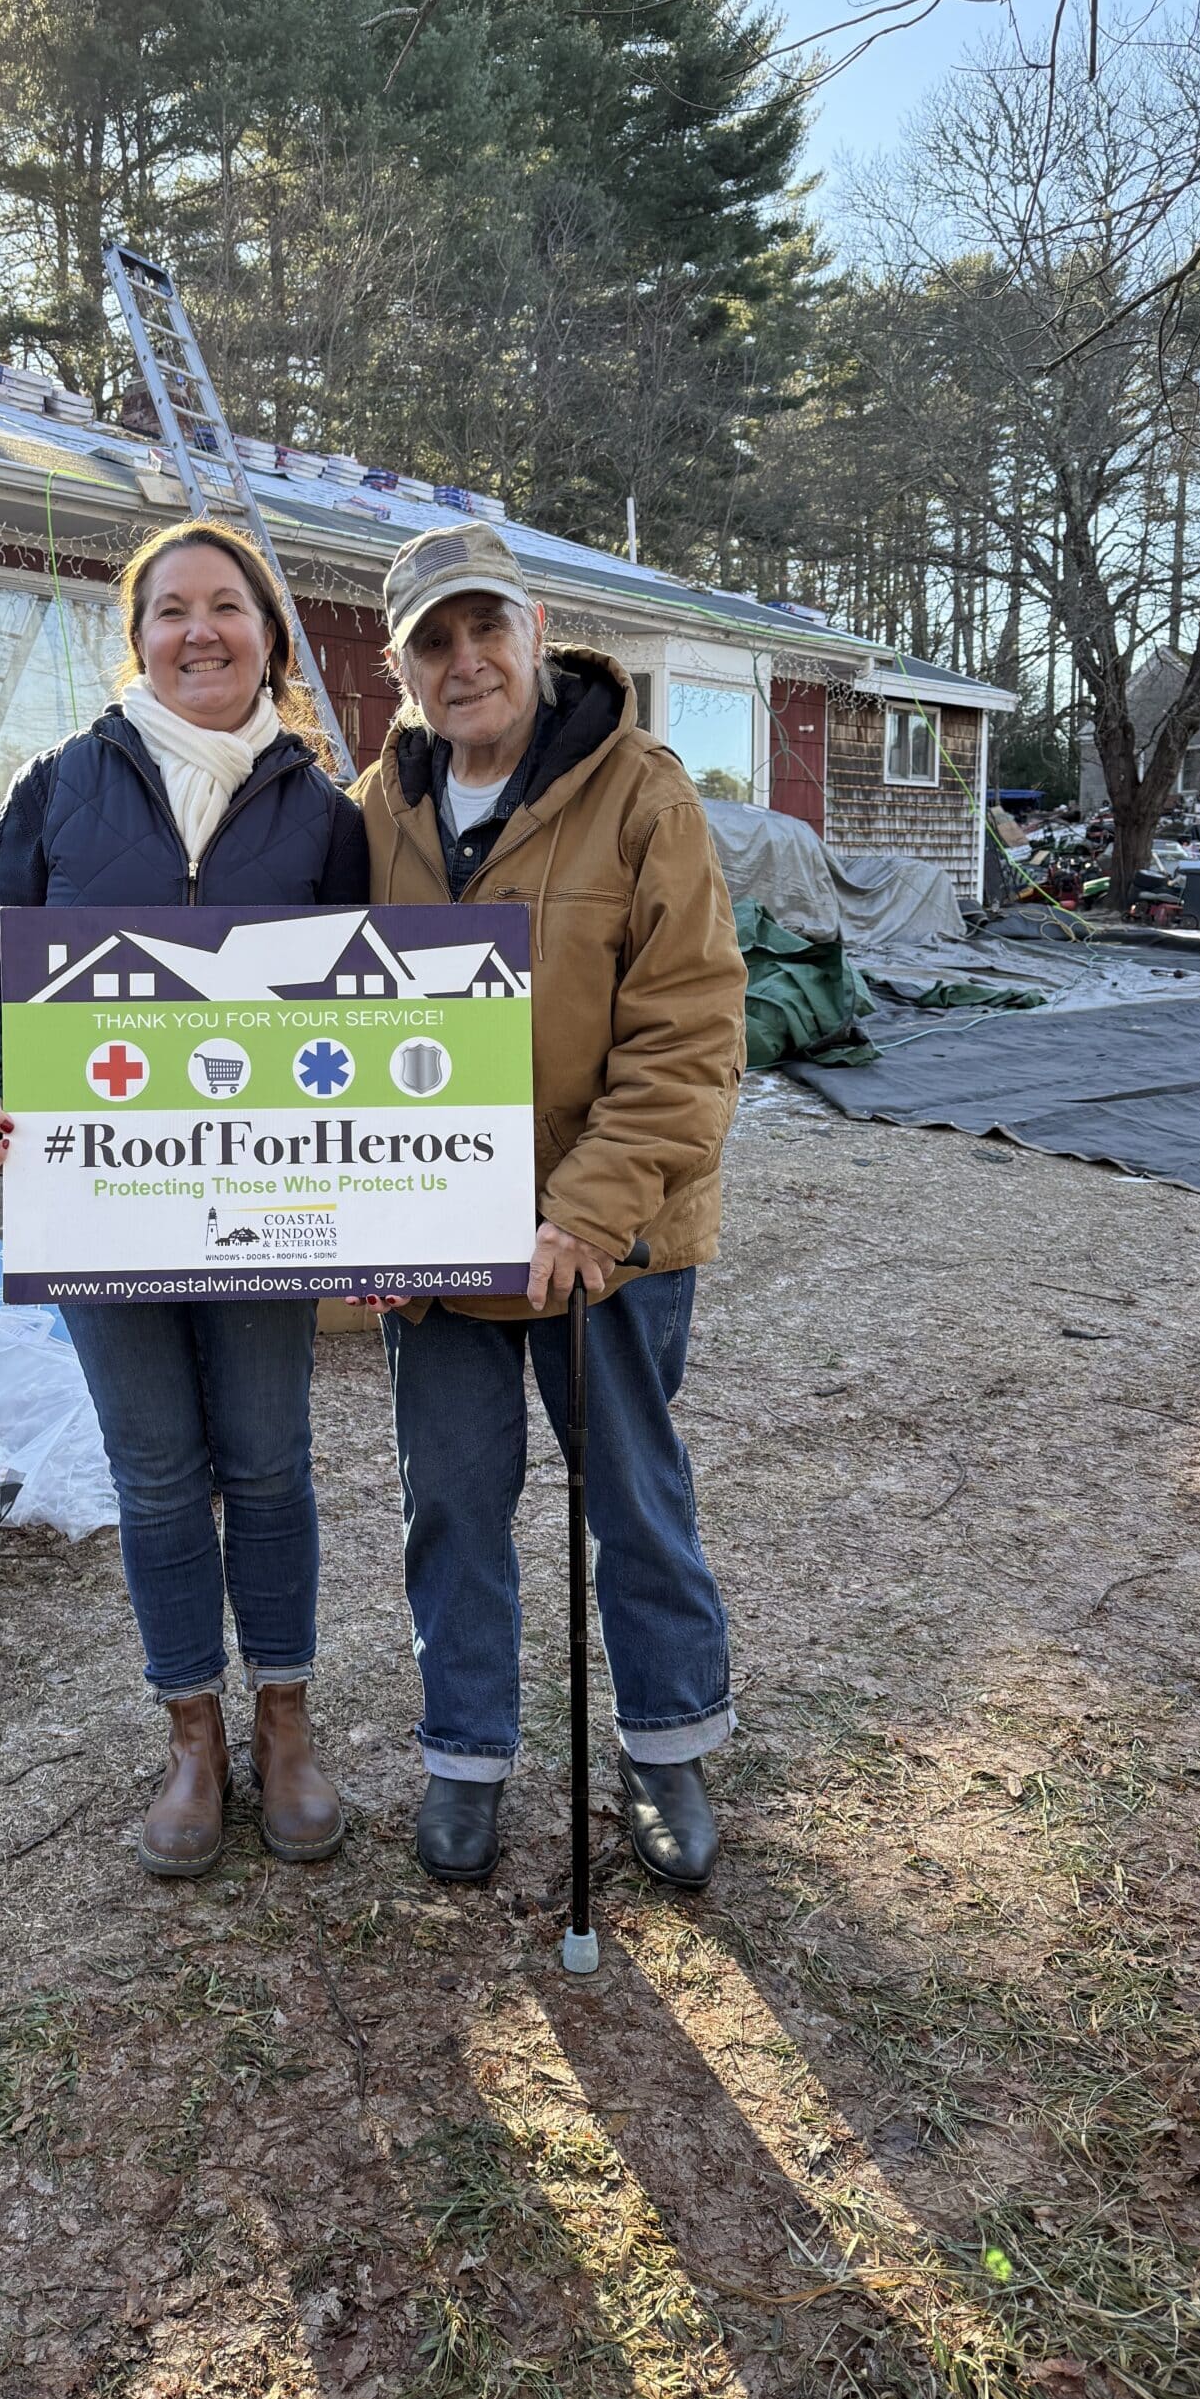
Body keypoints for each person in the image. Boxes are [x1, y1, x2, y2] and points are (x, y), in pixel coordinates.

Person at [0, 520, 368, 1879]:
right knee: (157, 1478)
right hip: (104, 1200)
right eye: (172, 609)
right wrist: (4, 1086)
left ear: (270, 636)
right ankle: (192, 1732)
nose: (201, 631)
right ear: (136, 638)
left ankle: (284, 1722)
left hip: (264, 1201)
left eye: (227, 608)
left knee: (269, 1462)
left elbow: (381, 1007)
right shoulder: (59, 787)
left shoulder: (324, 812)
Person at [354, 521, 747, 1892]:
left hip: (608, 1251)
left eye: (484, 631)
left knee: (632, 1500)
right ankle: (464, 1758)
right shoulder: (376, 809)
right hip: (442, 1245)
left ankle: (664, 1745)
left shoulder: (642, 794)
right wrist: (344, 1221)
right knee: (450, 1506)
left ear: (533, 632)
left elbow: (688, 1032)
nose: (464, 664)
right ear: (401, 666)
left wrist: (584, 1215)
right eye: (432, 642)